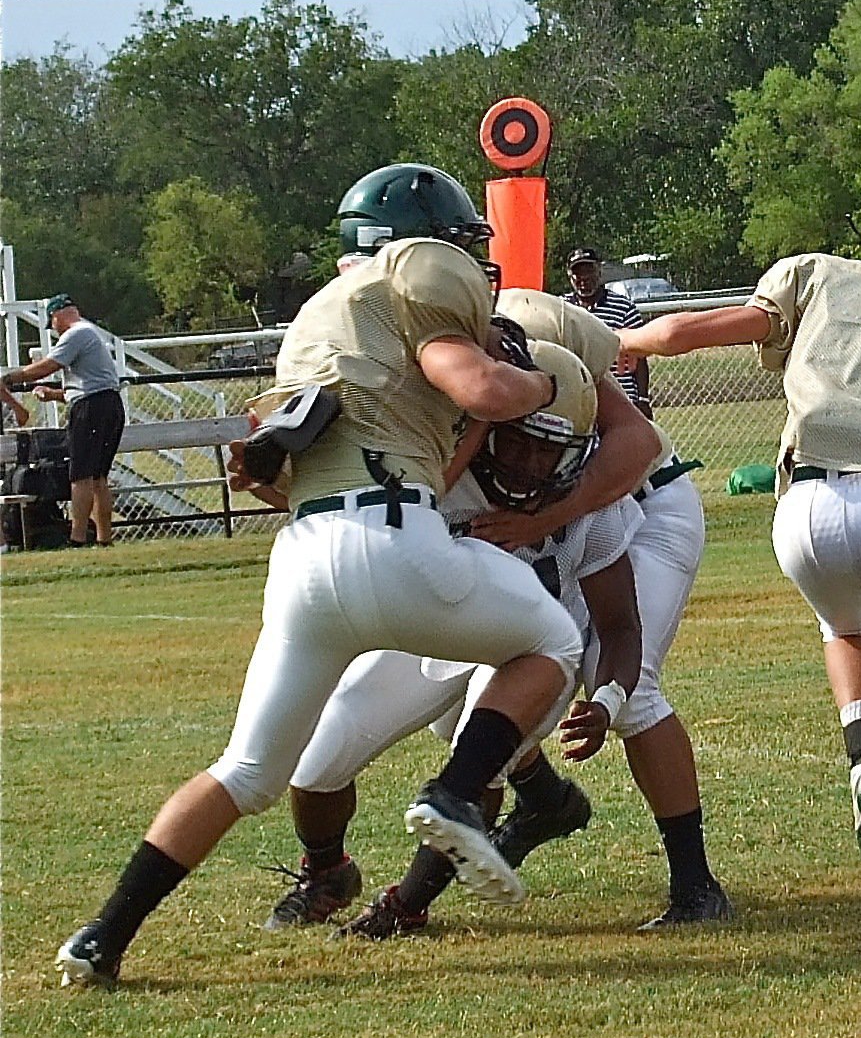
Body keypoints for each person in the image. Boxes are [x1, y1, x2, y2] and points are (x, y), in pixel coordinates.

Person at [54, 163, 596, 988]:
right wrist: (547, 382)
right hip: (397, 536)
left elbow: (269, 473)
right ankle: (456, 791)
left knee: (244, 770)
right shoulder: (416, 276)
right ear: (422, 245)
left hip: (304, 560)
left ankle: (103, 933)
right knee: (551, 641)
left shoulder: (317, 320)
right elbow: (481, 388)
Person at [615, 158, 861, 906]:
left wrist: (621, 344)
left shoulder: (819, 273)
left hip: (800, 511)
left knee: (846, 628)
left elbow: (686, 330)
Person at [260, 339, 644, 937]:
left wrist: (608, 701)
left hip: (532, 654)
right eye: (515, 441)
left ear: (577, 455)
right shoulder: (440, 478)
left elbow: (619, 623)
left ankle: (405, 905)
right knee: (318, 759)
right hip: (434, 633)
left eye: (546, 451)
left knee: (478, 760)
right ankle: (326, 871)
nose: (526, 463)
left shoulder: (591, 505)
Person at [476, 286, 731, 929]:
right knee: (479, 672)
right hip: (561, 515)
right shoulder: (440, 341)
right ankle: (541, 797)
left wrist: (547, 518)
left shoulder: (535, 329)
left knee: (626, 687)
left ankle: (696, 885)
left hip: (642, 504)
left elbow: (636, 444)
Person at [0, 294, 124, 547]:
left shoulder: (76, 333)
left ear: (57, 315)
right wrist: (53, 394)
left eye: (52, 323)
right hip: (110, 404)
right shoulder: (91, 333)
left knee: (81, 475)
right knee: (99, 477)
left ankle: (77, 539)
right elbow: (87, 384)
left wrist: (10, 378)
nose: (54, 330)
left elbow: (47, 366)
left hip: (90, 409)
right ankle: (104, 539)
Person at [563, 246, 651, 411]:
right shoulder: (561, 309)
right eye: (578, 273)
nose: (584, 278)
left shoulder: (624, 308)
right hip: (578, 399)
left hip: (622, 397)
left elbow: (640, 357)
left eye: (589, 270)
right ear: (569, 275)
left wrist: (643, 399)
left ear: (599, 270)